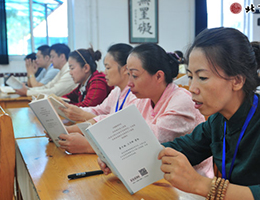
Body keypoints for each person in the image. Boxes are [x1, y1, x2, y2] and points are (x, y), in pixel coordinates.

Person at [99, 28, 260, 200]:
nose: (192, 87)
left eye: (202, 78)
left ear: (237, 80)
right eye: (191, 77)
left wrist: (200, 185)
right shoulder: (218, 121)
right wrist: (122, 161)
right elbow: (174, 150)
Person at [60, 43, 211, 177]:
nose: (130, 83)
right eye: (129, 75)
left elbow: (151, 142)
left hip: (190, 181)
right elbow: (117, 121)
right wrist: (73, 130)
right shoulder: (144, 99)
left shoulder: (181, 100)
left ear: (158, 76)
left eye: (135, 76)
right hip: (157, 173)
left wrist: (92, 147)